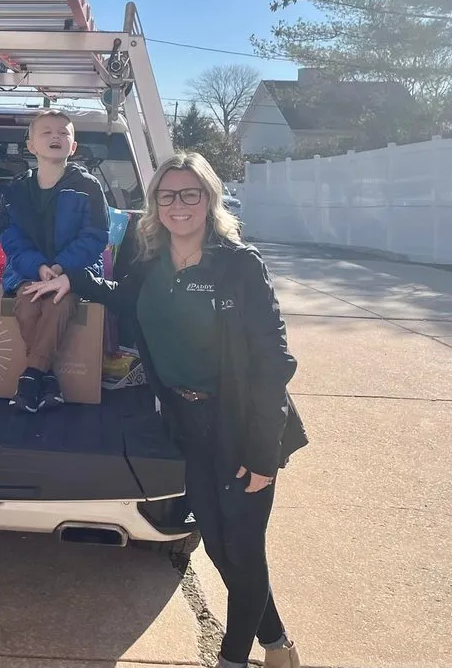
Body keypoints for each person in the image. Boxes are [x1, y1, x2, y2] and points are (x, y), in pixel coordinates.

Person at [24, 152, 308, 668]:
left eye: (190, 194)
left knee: (243, 551)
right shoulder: (150, 262)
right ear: (155, 204)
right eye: (167, 195)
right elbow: (123, 298)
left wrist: (262, 452)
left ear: (209, 200)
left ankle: (232, 659)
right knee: (221, 550)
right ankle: (279, 644)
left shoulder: (239, 265)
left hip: (243, 423)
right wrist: (73, 280)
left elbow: (274, 361)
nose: (179, 205)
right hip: (187, 423)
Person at [0, 109, 109, 412]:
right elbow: (10, 235)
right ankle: (46, 380)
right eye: (46, 132)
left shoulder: (88, 186)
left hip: (74, 271)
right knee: (28, 304)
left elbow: (96, 235)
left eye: (63, 133)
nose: (55, 136)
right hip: (28, 271)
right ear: (31, 145)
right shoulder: (17, 189)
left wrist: (60, 267)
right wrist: (38, 268)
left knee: (59, 302)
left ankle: (31, 376)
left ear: (73, 147)